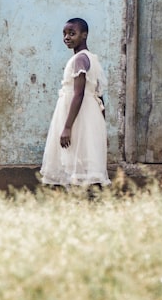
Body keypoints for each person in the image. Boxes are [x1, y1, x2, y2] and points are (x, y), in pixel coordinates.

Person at [39, 18, 110, 187]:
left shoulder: (79, 59)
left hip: (77, 113)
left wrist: (67, 127)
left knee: (74, 152)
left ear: (84, 35)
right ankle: (85, 196)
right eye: (64, 33)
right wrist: (102, 123)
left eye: (72, 33)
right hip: (88, 113)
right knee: (85, 153)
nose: (67, 37)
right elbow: (99, 96)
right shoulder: (92, 58)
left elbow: (79, 94)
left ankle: (79, 196)